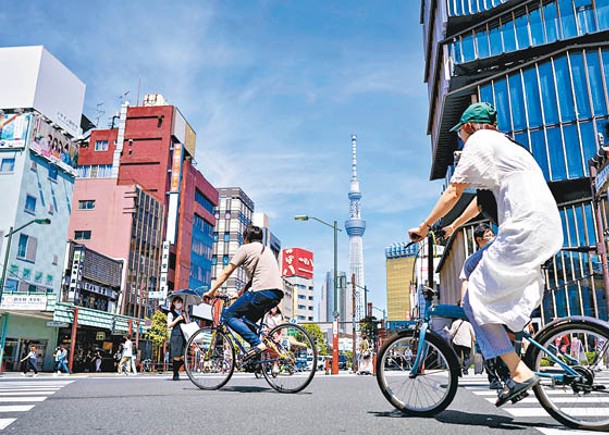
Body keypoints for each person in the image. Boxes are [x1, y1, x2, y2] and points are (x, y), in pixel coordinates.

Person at [408, 102, 563, 407]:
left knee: (473, 299)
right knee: (472, 263)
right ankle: (509, 344)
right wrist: (451, 225)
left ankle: (517, 371)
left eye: (461, 134)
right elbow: (480, 202)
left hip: (523, 230)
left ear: (469, 127)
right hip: (541, 226)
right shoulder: (506, 147)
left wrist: (425, 227)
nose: (461, 141)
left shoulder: (479, 142)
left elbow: (454, 190)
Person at [203, 224, 284, 362]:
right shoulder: (267, 251)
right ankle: (258, 360)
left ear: (246, 238)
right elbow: (253, 280)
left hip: (260, 292)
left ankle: (258, 345)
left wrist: (211, 292)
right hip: (276, 294)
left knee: (228, 316)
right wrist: (238, 294)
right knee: (249, 322)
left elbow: (227, 271)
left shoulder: (245, 249)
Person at [167, 296, 189, 381]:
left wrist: (185, 316)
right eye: (178, 302)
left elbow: (188, 324)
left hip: (184, 335)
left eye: (181, 302)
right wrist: (178, 319)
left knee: (184, 356)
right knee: (176, 356)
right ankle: (175, 374)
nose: (179, 304)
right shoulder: (171, 313)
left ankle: (175, 370)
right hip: (176, 335)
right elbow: (169, 325)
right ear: (173, 303)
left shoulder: (184, 313)